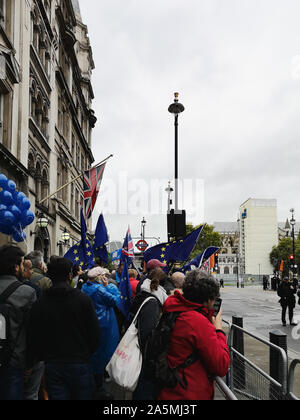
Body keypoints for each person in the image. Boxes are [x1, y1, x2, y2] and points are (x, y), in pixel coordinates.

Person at [27, 258, 101, 400]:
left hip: (53, 363)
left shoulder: (40, 302)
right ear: (69, 276)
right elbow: (95, 333)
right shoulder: (82, 300)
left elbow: (34, 334)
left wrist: (43, 356)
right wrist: (85, 353)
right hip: (79, 362)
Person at [158, 270, 230, 401]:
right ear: (208, 300)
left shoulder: (175, 307)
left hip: (169, 386)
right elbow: (221, 365)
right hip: (187, 391)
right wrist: (218, 330)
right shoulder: (196, 322)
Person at [0, 245, 37, 401]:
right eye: (22, 264)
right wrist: (30, 363)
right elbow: (33, 331)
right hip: (14, 359)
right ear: (16, 267)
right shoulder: (27, 292)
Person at [130, 267, 169, 400]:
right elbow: (148, 333)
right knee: (144, 389)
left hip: (144, 353)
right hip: (147, 356)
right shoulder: (152, 301)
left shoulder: (146, 293)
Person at [82, 266, 121, 398]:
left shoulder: (85, 287)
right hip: (103, 323)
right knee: (101, 354)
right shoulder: (99, 289)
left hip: (89, 322)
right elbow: (116, 300)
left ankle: (91, 382)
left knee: (92, 353)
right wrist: (109, 286)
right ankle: (98, 386)